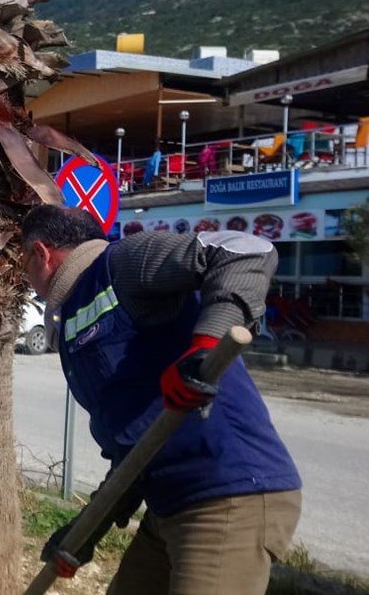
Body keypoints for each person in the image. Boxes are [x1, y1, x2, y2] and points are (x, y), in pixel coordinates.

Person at [22, 205, 301, 594]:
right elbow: (134, 445)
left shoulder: (121, 263)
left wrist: (205, 347)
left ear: (41, 253)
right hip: (168, 504)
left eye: (23, 262)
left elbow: (245, 249)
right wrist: (86, 530)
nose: (23, 276)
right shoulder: (73, 315)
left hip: (227, 493)